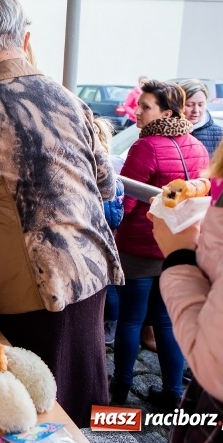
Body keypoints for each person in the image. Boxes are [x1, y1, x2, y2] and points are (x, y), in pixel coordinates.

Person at [0, 0, 122, 428]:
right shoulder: (68, 98)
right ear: (25, 39)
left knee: (32, 409)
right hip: (91, 267)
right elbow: (107, 184)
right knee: (85, 393)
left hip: (30, 282)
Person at [150, 8, 223, 443]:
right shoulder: (211, 142)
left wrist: (178, 254)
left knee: (142, 321)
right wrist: (201, 191)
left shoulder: (151, 147)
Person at [111, 80, 209, 411]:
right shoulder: (197, 145)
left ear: (166, 113)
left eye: (145, 106)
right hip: (177, 249)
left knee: (130, 320)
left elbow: (124, 204)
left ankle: (119, 391)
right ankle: (172, 393)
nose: (137, 112)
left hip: (139, 249)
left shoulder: (145, 147)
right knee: (167, 321)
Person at [93, 117, 125, 346]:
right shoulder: (115, 175)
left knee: (107, 287)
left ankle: (107, 325)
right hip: (109, 239)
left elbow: (111, 216)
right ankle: (107, 326)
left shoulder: (102, 175)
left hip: (99, 239)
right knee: (110, 284)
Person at [179, 78, 223, 157]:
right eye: (189, 105)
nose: (196, 110)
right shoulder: (167, 131)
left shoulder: (220, 135)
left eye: (201, 105)